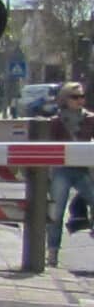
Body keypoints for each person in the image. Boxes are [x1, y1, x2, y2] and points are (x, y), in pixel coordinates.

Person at [49, 83, 94, 263]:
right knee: (56, 212)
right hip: (62, 170)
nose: (79, 100)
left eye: (81, 96)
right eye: (75, 97)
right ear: (65, 99)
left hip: (83, 169)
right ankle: (52, 252)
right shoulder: (56, 122)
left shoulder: (90, 119)